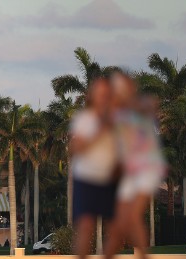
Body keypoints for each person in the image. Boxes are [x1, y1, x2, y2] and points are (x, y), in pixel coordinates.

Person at [105, 73, 165, 259]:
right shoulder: (114, 115)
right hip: (130, 173)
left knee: (130, 218)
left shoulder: (138, 106)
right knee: (119, 224)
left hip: (147, 169)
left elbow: (151, 104)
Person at [69, 77, 118, 259]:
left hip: (110, 180)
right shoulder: (84, 119)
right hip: (86, 179)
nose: (103, 97)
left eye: (106, 93)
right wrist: (100, 130)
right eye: (99, 93)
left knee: (116, 229)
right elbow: (75, 148)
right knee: (86, 227)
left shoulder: (117, 119)